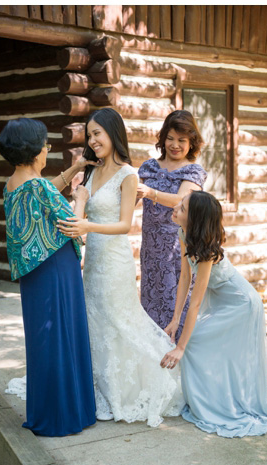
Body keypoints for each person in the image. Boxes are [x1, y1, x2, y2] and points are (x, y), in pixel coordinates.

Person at [57, 108, 183, 426]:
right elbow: (79, 214)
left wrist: (88, 226)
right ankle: (98, 389)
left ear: (113, 133)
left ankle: (129, 390)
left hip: (114, 261)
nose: (92, 140)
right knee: (96, 324)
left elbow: (125, 224)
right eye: (89, 135)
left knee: (118, 323)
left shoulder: (128, 174)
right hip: (93, 259)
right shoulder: (91, 171)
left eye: (97, 133)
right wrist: (79, 201)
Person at [0, 117, 97, 436]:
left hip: (35, 276)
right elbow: (74, 226)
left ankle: (47, 410)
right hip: (57, 269)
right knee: (62, 334)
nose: (46, 151)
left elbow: (41, 192)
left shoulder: (13, 184)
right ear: (35, 150)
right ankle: (65, 415)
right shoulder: (36, 186)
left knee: (44, 339)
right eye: (46, 146)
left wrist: (73, 169)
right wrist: (80, 199)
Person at [159, 190, 267, 437]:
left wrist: (180, 347)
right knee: (196, 343)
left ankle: (217, 403)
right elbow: (184, 277)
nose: (175, 209)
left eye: (181, 208)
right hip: (224, 300)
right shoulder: (183, 233)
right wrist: (174, 320)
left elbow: (196, 302)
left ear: (195, 219)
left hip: (240, 305)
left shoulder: (207, 252)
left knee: (193, 344)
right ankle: (213, 397)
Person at [136, 110, 207, 339]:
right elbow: (131, 195)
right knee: (150, 308)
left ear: (191, 143)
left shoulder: (193, 171)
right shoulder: (149, 167)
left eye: (182, 140)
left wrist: (150, 193)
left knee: (177, 307)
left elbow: (183, 199)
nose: (175, 145)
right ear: (163, 138)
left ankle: (178, 363)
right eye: (170, 138)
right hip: (151, 252)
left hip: (178, 251)